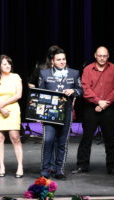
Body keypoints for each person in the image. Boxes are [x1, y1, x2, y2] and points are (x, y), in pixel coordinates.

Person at [72, 46, 114, 176]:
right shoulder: (88, 69)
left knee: (110, 138)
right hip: (91, 108)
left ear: (108, 56)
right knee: (86, 138)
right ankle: (82, 165)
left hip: (108, 107)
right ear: (95, 55)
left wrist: (104, 103)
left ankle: (112, 167)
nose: (102, 58)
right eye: (100, 56)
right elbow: (85, 88)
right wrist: (98, 101)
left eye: (104, 56)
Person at [39, 47, 82, 180]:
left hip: (66, 113)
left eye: (63, 59)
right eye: (59, 59)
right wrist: (39, 114)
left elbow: (81, 90)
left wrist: (73, 92)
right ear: (53, 61)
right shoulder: (44, 73)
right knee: (48, 140)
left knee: (62, 142)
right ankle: (46, 169)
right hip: (49, 113)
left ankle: (59, 170)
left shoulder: (74, 73)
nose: (62, 61)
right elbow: (40, 94)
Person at [0, 55, 23, 178]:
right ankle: (1, 166)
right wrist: (0, 108)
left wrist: (4, 104)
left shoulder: (16, 77)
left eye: (9, 63)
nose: (7, 66)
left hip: (12, 108)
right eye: (4, 64)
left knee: (15, 136)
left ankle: (20, 166)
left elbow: (18, 95)